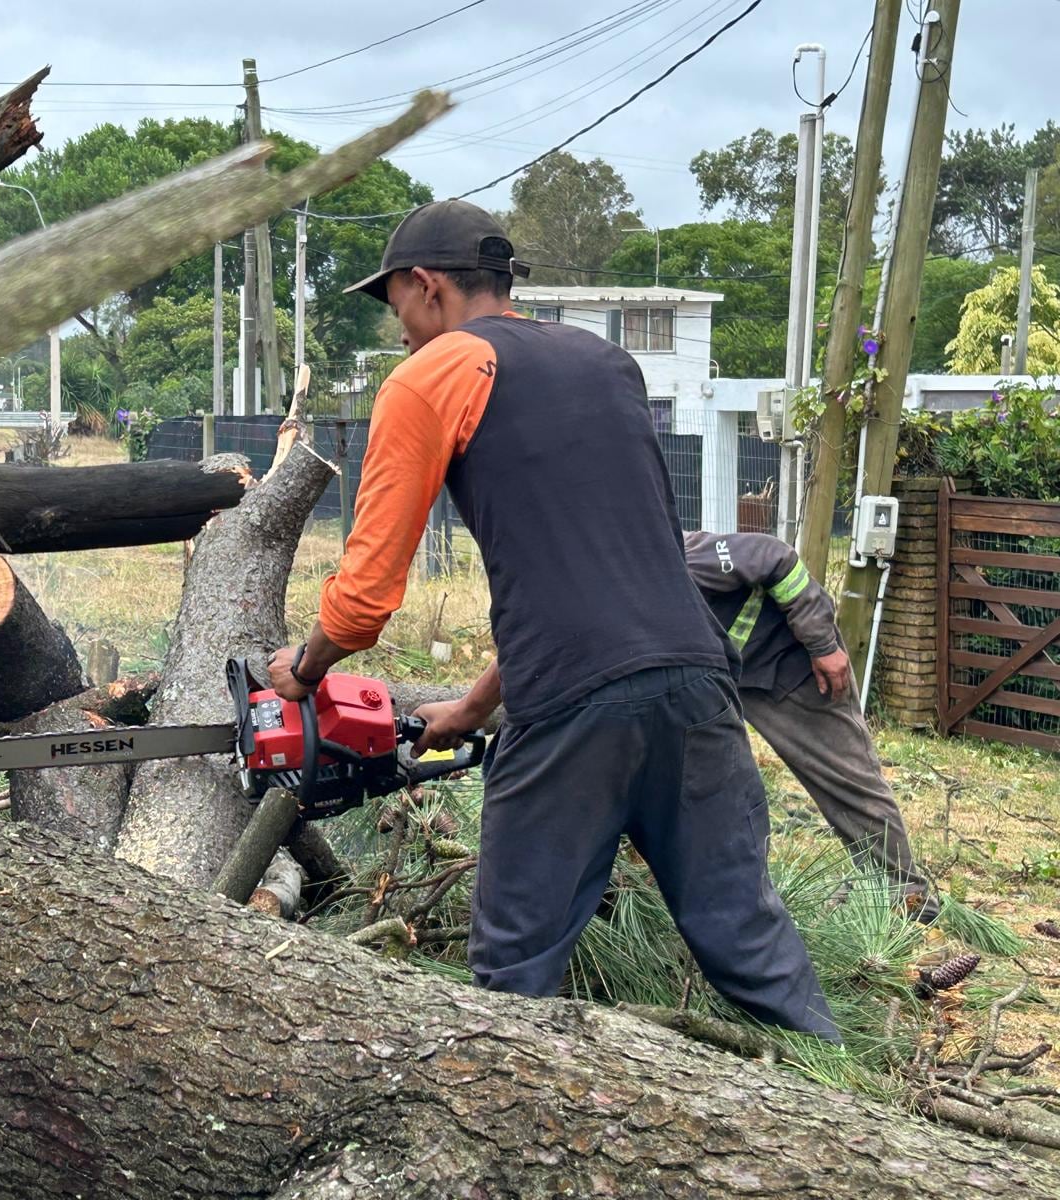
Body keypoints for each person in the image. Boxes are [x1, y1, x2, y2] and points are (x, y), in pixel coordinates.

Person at [266, 200, 838, 1040]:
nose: (400, 335)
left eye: (397, 311)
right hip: (696, 680)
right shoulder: (608, 364)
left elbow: (365, 599)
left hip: (572, 710)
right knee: (753, 946)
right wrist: (469, 709)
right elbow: (605, 575)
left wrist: (305, 673)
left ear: (427, 287)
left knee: (513, 982)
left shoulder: (430, 377)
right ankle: (849, 1117)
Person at [682, 529, 938, 919]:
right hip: (722, 683)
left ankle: (907, 900)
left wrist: (822, 645)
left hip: (795, 669)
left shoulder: (682, 558)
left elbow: (775, 557)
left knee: (847, 782)